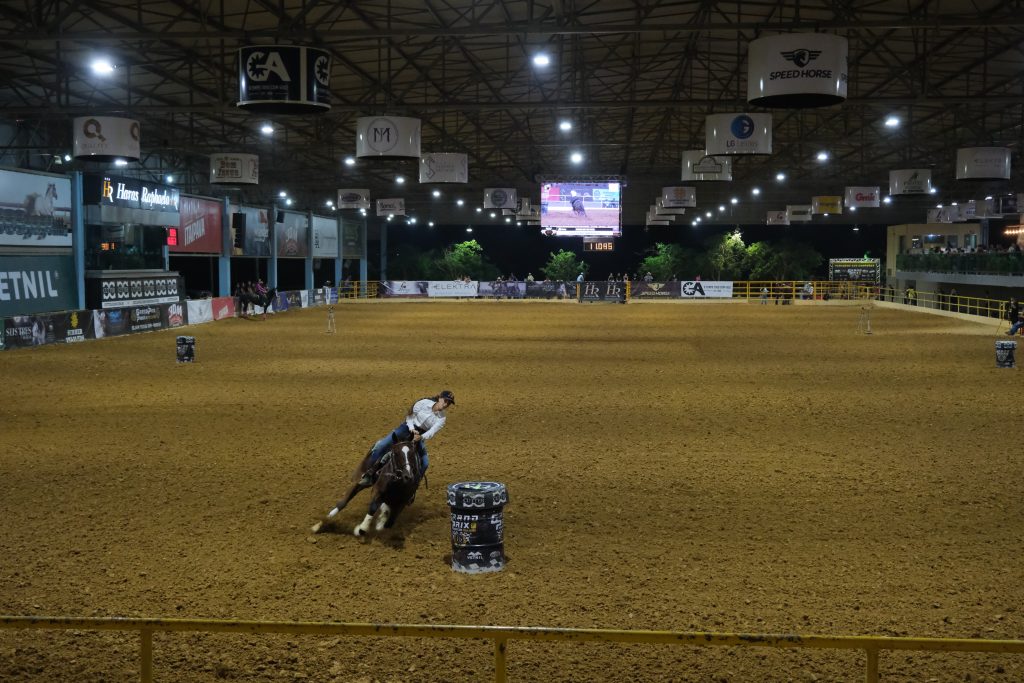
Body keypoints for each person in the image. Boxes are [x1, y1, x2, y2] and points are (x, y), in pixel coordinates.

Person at [358, 390, 455, 487]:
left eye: (449, 403)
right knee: (382, 445)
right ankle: (368, 474)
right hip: (407, 427)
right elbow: (410, 416)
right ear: (440, 398)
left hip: (420, 436)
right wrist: (412, 429)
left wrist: (420, 437)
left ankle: (413, 486)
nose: (446, 404)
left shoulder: (442, 418)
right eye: (445, 401)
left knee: (425, 463)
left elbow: (431, 432)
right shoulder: (423, 403)